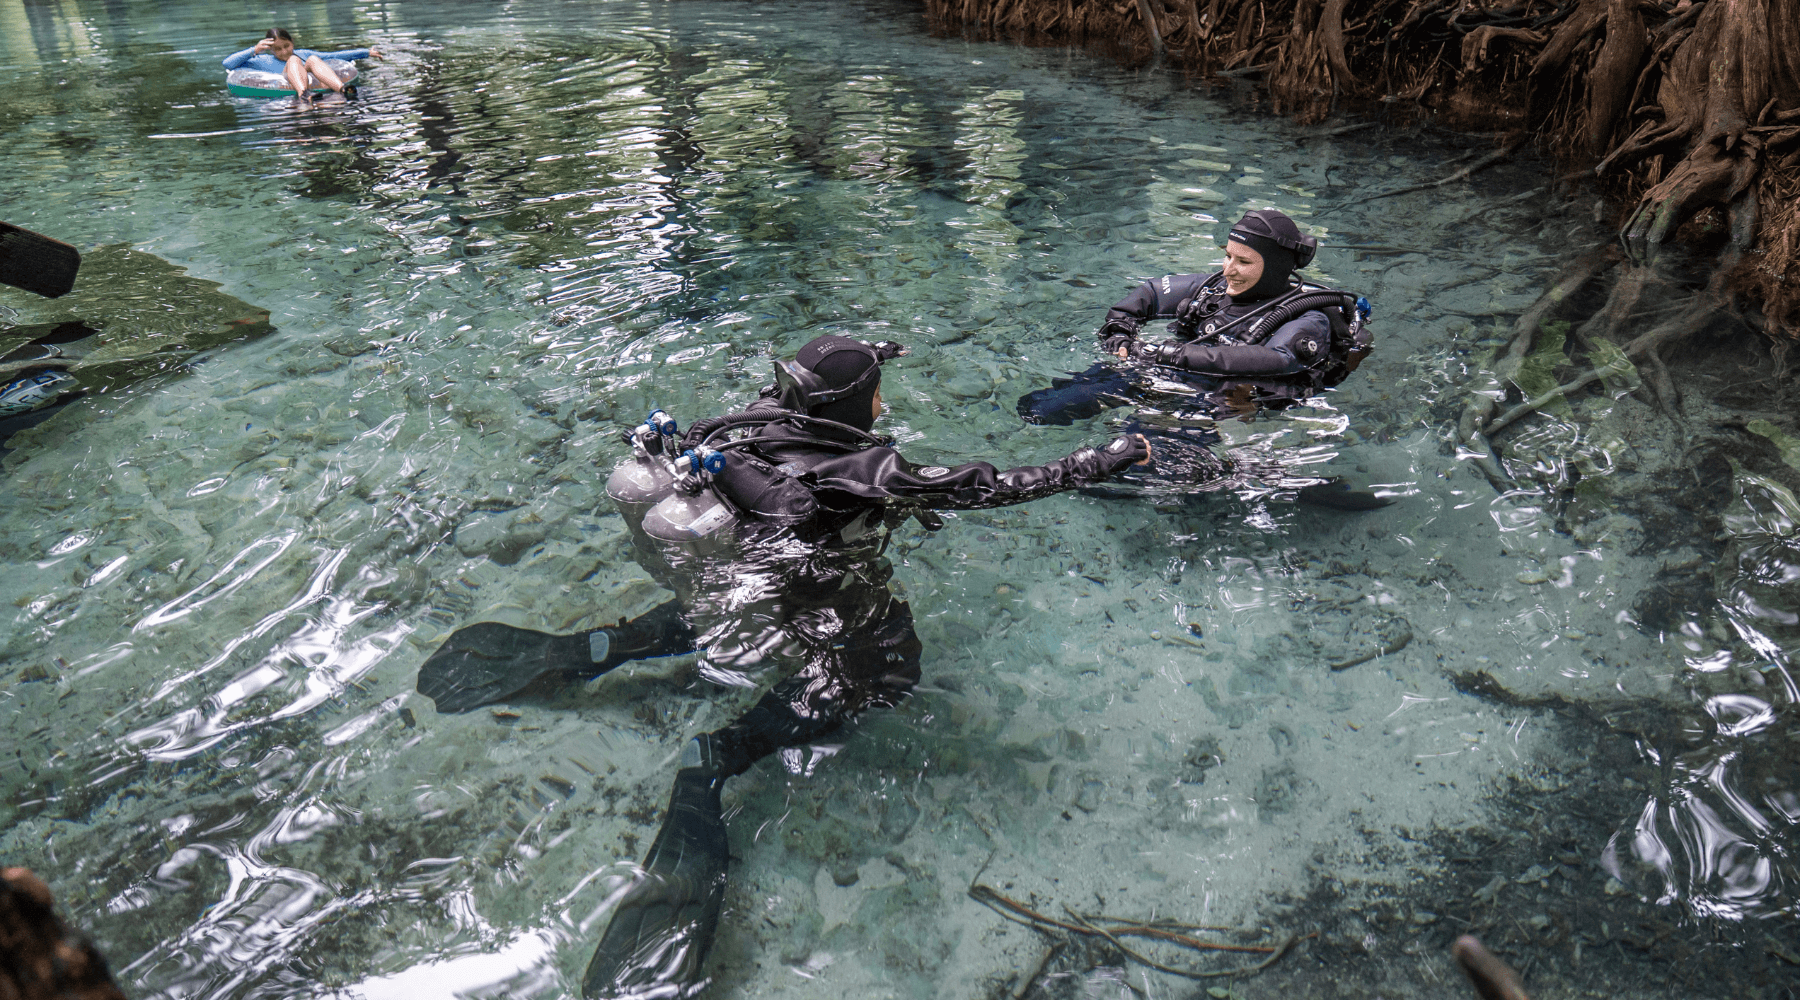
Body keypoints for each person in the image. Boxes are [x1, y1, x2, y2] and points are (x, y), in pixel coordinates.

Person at [415, 335, 1150, 998]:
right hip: (833, 610)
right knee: (887, 673)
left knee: (732, 608)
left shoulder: (753, 426)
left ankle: (588, 652)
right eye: (875, 390)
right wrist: (1105, 458)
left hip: (742, 592)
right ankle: (712, 763)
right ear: (855, 403)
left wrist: (872, 350)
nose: (884, 401)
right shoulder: (866, 467)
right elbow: (987, 487)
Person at [1017, 208, 1371, 427]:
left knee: (1130, 462)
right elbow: (1151, 293)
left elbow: (1278, 359)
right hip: (1165, 374)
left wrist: (1166, 354)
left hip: (1229, 401)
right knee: (1041, 408)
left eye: (1244, 262)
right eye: (1227, 256)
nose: (1228, 270)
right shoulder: (1214, 288)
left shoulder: (1306, 317)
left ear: (1275, 269)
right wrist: (1120, 329)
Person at [221, 28, 381, 101]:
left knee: (313, 59)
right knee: (293, 60)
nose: (284, 51)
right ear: (270, 49)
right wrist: (253, 50)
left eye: (287, 46)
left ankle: (342, 89)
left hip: (315, 85)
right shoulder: (261, 61)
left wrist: (366, 52)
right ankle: (303, 93)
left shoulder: (302, 53)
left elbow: (334, 55)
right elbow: (227, 63)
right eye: (278, 49)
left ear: (292, 42)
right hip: (284, 87)